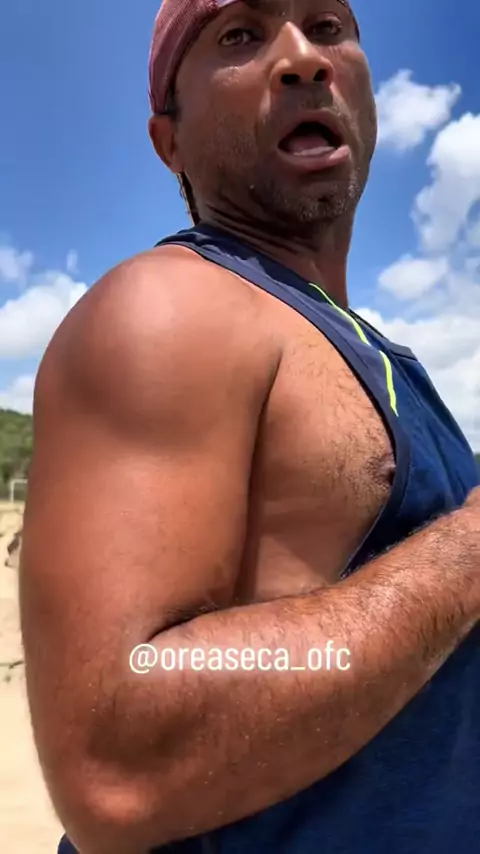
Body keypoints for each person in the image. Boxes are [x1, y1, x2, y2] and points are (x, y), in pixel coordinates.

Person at [20, 1, 480, 853]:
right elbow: (117, 761)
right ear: (168, 140)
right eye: (241, 35)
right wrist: (467, 554)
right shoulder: (170, 310)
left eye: (329, 26)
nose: (303, 58)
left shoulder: (376, 351)